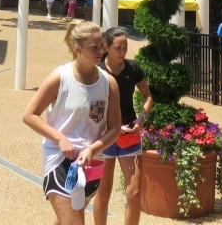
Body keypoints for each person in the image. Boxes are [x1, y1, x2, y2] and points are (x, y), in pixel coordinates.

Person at [23, 21, 122, 224]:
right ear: (78, 49)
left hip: (92, 163)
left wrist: (93, 150)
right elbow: (30, 115)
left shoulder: (108, 82)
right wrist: (60, 138)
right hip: (59, 161)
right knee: (74, 220)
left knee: (66, 219)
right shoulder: (60, 78)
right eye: (93, 47)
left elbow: (114, 128)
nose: (100, 51)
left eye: (101, 45)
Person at [95, 27, 153, 225]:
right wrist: (103, 126)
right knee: (103, 192)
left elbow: (148, 96)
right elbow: (89, 103)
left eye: (125, 47)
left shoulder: (133, 68)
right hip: (104, 136)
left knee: (135, 192)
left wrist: (141, 118)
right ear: (106, 47)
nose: (123, 52)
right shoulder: (98, 72)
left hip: (129, 132)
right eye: (118, 48)